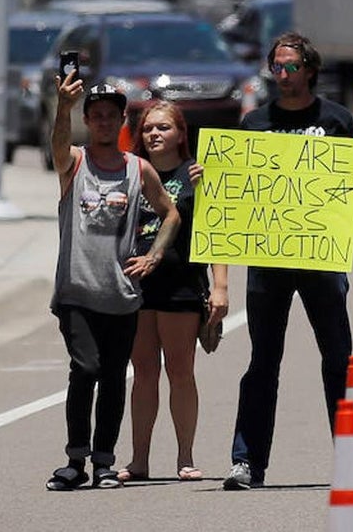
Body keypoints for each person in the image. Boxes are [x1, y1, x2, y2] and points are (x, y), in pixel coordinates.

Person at [223, 31, 353, 491]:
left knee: (337, 357)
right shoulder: (254, 123)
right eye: (277, 67)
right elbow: (239, 186)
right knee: (263, 360)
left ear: (310, 69)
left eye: (291, 67)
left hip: (320, 258)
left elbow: (340, 191)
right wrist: (212, 175)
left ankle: (352, 459)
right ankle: (247, 462)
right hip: (267, 260)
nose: (283, 75)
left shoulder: (336, 120)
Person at [45, 77, 180, 491]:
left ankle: (105, 460)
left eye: (111, 116)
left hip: (121, 296)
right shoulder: (74, 163)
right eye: (96, 116)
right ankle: (75, 459)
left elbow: (170, 213)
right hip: (77, 293)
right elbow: (58, 143)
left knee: (113, 376)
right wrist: (63, 107)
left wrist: (154, 255)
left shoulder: (138, 170)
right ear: (87, 121)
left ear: (122, 121)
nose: (103, 122)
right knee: (85, 368)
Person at [118, 101, 227, 484]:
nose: (154, 134)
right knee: (144, 372)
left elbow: (216, 235)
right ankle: (139, 460)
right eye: (148, 128)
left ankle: (185, 456)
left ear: (181, 133)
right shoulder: (130, 172)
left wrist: (220, 287)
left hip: (182, 284)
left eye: (164, 128)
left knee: (181, 370)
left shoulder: (195, 174)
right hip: (137, 284)